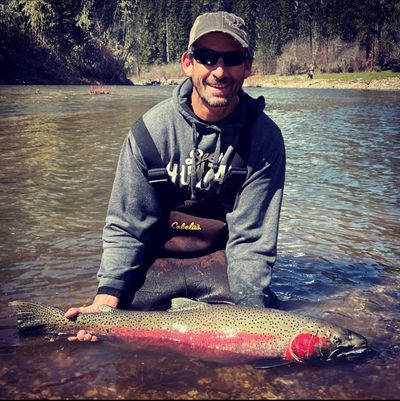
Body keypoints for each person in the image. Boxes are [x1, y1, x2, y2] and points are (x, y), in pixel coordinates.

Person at [66, 11, 286, 342]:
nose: (219, 71)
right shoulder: (149, 132)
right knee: (117, 333)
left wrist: (252, 323)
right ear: (187, 62)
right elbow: (127, 227)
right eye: (207, 57)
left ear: (248, 66)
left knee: (258, 326)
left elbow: (251, 241)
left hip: (220, 263)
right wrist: (106, 298)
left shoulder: (264, 139)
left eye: (232, 58)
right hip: (157, 262)